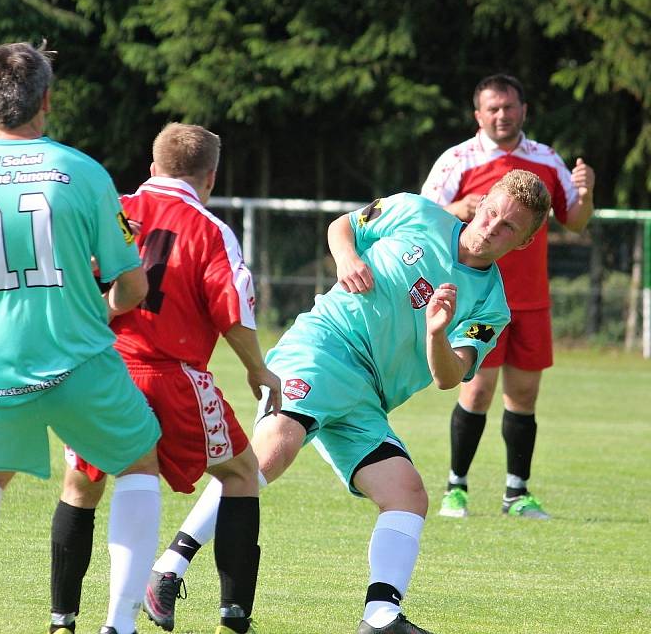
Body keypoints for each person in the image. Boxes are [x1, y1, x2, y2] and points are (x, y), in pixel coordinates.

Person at [135, 170, 553, 634]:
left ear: (525, 242)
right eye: (491, 212)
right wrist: (347, 258)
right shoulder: (416, 212)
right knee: (274, 449)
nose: (492, 226)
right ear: (482, 202)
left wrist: (437, 332)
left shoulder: (491, 305)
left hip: (368, 395)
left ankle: (380, 617)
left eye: (509, 227)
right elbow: (344, 226)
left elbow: (448, 376)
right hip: (324, 345)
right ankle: (168, 568)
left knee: (408, 495)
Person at [0, 41, 161, 634]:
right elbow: (132, 285)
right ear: (47, 101)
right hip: (72, 352)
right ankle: (120, 624)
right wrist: (104, 307)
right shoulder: (83, 172)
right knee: (138, 463)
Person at [52, 123, 281, 634]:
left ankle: (62, 620)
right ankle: (233, 618)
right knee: (241, 473)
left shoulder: (111, 209)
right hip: (171, 377)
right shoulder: (209, 228)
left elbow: (62, 275)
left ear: (153, 168)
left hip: (101, 375)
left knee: (81, 485)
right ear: (211, 178)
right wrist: (257, 368)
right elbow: (233, 310)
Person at [420, 73, 596, 520]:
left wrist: (586, 193)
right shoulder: (457, 159)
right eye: (493, 109)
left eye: (509, 107)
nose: (502, 116)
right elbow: (421, 214)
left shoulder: (546, 159)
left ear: (523, 110)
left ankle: (516, 494)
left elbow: (574, 221)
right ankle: (455, 488)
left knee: (524, 395)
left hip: (530, 300)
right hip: (478, 300)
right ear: (479, 115)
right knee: (476, 389)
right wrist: (454, 211)